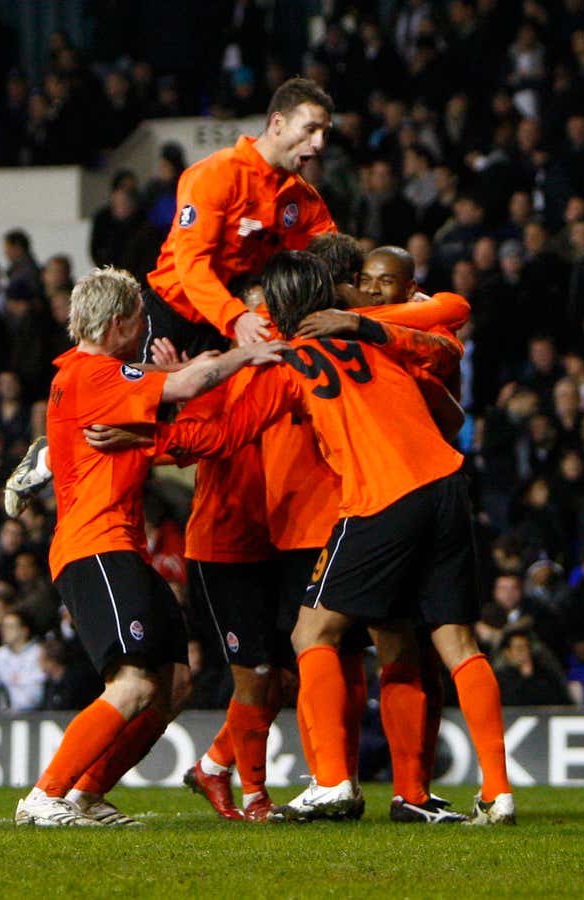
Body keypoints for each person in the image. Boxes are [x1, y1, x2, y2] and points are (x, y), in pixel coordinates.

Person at [162, 251, 516, 826]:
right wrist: (368, 327)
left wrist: (149, 433)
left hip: (379, 498)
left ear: (274, 307)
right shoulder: (379, 336)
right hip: (448, 484)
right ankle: (496, 792)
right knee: (455, 644)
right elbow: (448, 371)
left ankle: (331, 783)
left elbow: (226, 435)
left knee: (312, 632)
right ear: (335, 291)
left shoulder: (286, 358)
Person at [13, 266, 283, 827]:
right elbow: (186, 388)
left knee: (174, 684)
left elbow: (169, 397)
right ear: (117, 322)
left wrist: (175, 376)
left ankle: (88, 794)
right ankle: (45, 796)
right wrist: (247, 352)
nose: (147, 325)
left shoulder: (101, 376)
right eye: (139, 316)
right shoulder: (96, 374)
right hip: (96, 547)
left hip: (121, 547)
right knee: (133, 683)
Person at [143, 77, 337, 354]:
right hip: (174, 317)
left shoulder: (304, 199)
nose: (318, 144)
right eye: (310, 130)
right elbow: (192, 261)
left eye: (324, 133)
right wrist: (234, 316)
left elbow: (334, 258)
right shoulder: (218, 174)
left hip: (235, 324)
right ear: (278, 123)